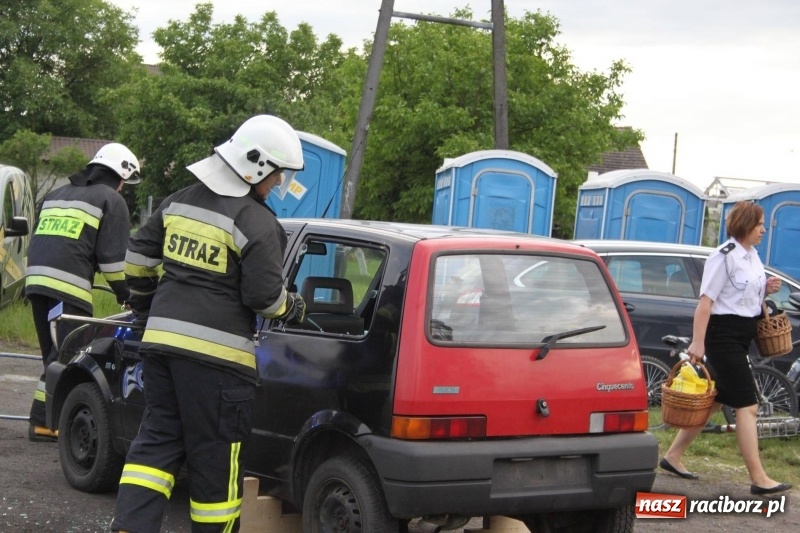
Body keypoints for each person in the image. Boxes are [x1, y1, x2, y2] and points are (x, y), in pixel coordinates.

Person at [112, 115, 306, 533]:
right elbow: (263, 298)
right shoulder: (257, 222)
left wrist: (147, 309)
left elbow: (137, 261)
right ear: (254, 165)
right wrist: (293, 307)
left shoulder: (178, 201)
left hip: (160, 350)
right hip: (218, 365)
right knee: (217, 458)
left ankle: (130, 526)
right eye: (276, 175)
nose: (277, 184)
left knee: (157, 441)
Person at [660, 201, 792, 495]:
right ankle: (759, 478)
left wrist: (765, 289)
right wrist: (697, 341)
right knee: (748, 406)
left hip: (742, 338)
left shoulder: (753, 256)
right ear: (746, 224)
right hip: (723, 339)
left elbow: (745, 298)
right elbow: (706, 302)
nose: (764, 230)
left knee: (715, 400)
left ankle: (672, 456)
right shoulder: (723, 256)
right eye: (759, 224)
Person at [25, 143, 140, 442]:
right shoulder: (110, 199)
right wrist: (126, 294)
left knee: (53, 355)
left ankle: (42, 423)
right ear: (121, 177)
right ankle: (49, 425)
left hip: (35, 283)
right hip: (69, 288)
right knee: (71, 355)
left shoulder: (54, 195)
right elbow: (114, 262)